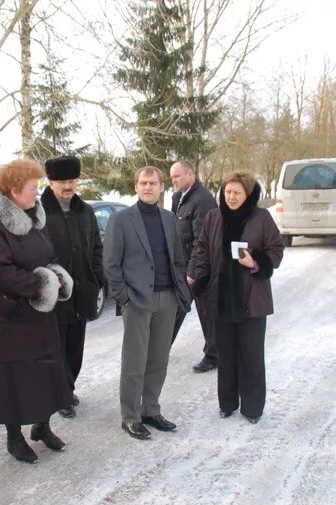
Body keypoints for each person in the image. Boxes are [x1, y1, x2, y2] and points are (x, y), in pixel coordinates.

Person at [0, 159, 74, 464]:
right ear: (15, 190)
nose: (37, 193)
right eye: (33, 188)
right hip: (6, 318)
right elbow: (1, 272)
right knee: (14, 381)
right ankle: (14, 438)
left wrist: (56, 273)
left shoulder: (33, 218)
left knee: (46, 373)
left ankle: (41, 427)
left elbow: (48, 254)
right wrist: (43, 284)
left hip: (37, 315)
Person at [103, 166, 191, 440]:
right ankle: (130, 416)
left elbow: (178, 259)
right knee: (134, 362)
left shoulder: (168, 218)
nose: (148, 187)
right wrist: (124, 297)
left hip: (167, 299)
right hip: (138, 301)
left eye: (153, 183)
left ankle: (150, 410)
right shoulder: (122, 220)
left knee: (158, 360)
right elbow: (111, 264)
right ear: (136, 186)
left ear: (161, 186)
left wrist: (180, 294)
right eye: (143, 183)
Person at [190, 172, 284, 423]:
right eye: (228, 191)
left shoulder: (261, 218)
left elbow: (276, 250)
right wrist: (200, 279)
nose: (231, 197)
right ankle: (227, 403)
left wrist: (255, 261)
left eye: (237, 193)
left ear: (249, 195)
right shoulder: (213, 217)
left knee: (251, 356)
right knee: (226, 355)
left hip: (251, 299)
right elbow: (202, 251)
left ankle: (252, 407)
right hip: (220, 299)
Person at [40, 156, 105, 418]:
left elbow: (97, 248)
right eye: (61, 181)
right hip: (55, 295)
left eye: (71, 181)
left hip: (82, 292)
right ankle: (61, 394)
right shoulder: (39, 212)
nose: (68, 186)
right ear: (51, 183)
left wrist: (97, 278)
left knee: (75, 347)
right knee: (56, 347)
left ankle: (68, 388)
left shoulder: (85, 211)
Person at [169, 159, 218, 372]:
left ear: (191, 175)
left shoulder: (203, 200)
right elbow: (173, 229)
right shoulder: (178, 197)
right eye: (172, 177)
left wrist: (193, 271)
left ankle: (214, 355)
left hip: (200, 267)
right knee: (175, 308)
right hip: (181, 264)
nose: (174, 181)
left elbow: (202, 240)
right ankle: (160, 349)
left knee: (206, 311)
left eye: (177, 176)